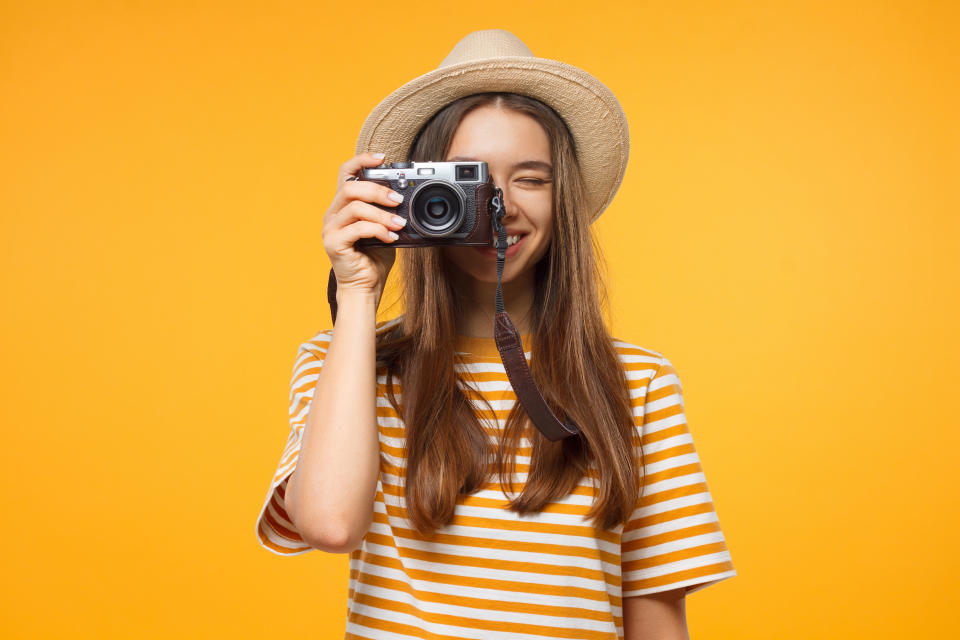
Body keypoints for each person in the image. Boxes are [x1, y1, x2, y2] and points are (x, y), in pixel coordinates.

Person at [255, 29, 736, 640]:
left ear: (564, 201)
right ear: (407, 197)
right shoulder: (344, 364)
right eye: (468, 179)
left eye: (531, 179)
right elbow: (328, 525)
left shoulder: (636, 382)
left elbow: (656, 613)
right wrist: (357, 291)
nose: (497, 205)